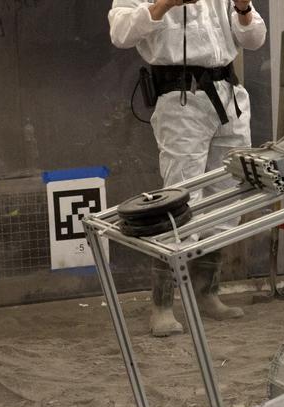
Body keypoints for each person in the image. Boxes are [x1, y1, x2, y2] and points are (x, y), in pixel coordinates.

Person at [109, 0, 266, 337]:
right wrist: (163, 4)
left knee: (227, 198)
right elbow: (120, 32)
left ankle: (206, 292)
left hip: (228, 96)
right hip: (180, 100)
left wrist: (242, 8)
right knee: (179, 201)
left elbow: (254, 39)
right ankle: (162, 305)